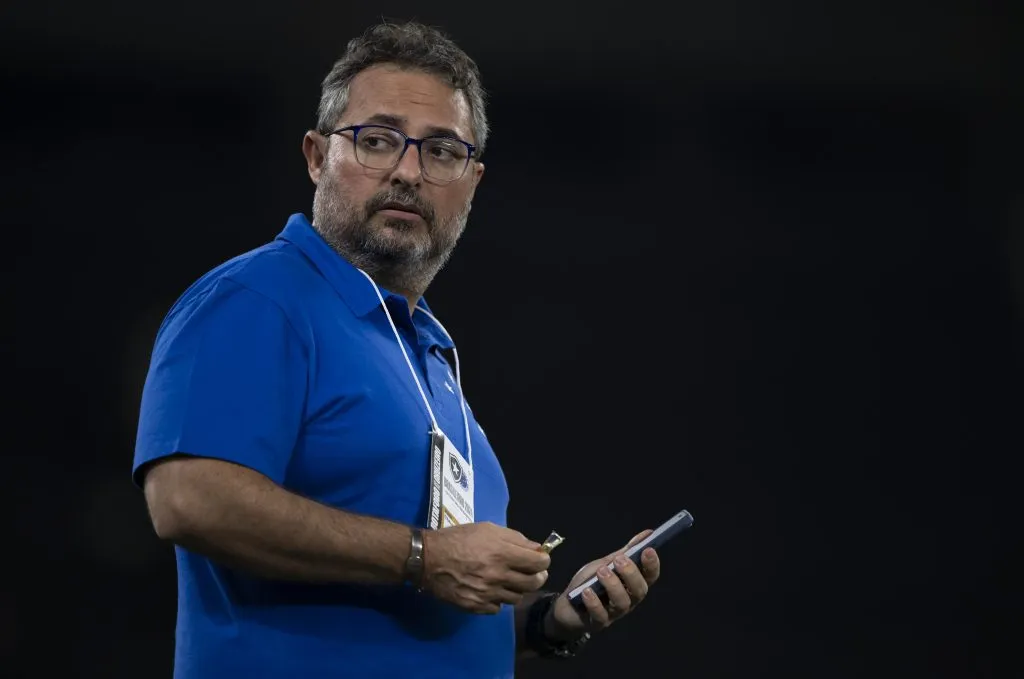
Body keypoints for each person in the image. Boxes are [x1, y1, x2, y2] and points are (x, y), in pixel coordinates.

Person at [133, 20, 663, 679]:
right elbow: (188, 497)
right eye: (378, 141)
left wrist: (550, 621)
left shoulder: (431, 355)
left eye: (442, 151)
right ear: (316, 156)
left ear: (472, 182)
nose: (409, 172)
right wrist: (425, 555)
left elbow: (432, 604)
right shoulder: (258, 298)